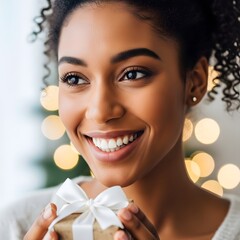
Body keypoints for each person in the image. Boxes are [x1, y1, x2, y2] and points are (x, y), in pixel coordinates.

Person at [1, 0, 240, 239]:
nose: (100, 111)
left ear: (195, 82)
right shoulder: (14, 225)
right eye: (74, 79)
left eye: (133, 74)